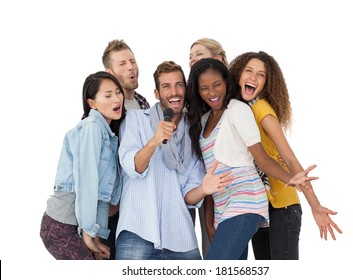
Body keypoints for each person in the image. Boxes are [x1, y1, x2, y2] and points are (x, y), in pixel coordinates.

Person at [185, 58, 318, 260]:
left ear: (227, 82)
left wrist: (290, 178)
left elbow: (262, 159)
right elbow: (209, 176)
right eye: (204, 88)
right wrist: (209, 219)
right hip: (223, 207)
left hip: (246, 200)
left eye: (217, 85)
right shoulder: (203, 122)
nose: (212, 93)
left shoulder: (238, 110)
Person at [229, 51, 343, 260]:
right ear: (238, 74)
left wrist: (315, 205)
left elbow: (289, 158)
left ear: (266, 83)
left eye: (261, 75)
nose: (253, 78)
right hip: (260, 206)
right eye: (249, 71)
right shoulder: (238, 111)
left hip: (283, 206)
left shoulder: (261, 109)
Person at [115, 60, 232, 260]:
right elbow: (133, 167)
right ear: (156, 93)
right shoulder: (135, 120)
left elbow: (188, 195)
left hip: (180, 238)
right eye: (166, 86)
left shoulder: (194, 133)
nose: (174, 92)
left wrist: (204, 189)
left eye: (179, 85)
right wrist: (154, 141)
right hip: (138, 231)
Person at [40, 71, 125, 260]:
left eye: (118, 92)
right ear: (92, 103)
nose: (116, 99)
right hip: (61, 224)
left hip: (76, 226)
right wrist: (88, 234)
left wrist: (95, 237)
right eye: (108, 95)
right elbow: (87, 183)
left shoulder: (108, 135)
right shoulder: (92, 127)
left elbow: (101, 195)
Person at [101, 39, 151, 259]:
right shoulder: (103, 110)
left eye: (132, 60)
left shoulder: (143, 103)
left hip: (139, 206)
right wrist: (108, 204)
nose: (131, 66)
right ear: (109, 72)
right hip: (111, 209)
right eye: (122, 63)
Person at [188, 37, 229, 259]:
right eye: (190, 56)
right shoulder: (192, 105)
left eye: (199, 54)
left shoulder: (234, 105)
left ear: (218, 59)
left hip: (231, 192)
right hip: (198, 188)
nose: (193, 59)